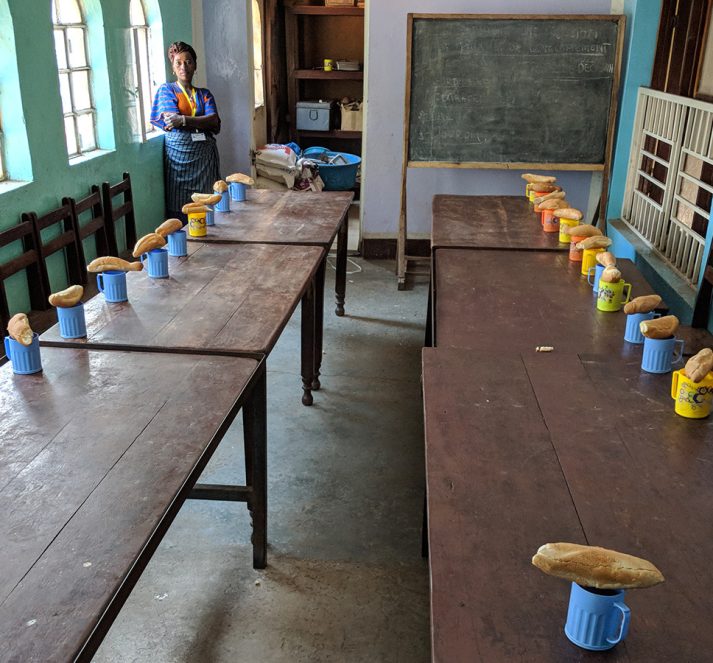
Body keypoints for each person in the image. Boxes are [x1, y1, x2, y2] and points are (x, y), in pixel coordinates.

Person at [150, 41, 221, 223]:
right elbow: (170, 121)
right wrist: (199, 123)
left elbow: (214, 121)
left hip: (204, 162)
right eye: (178, 63)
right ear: (173, 67)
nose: (184, 67)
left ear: (195, 65)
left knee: (206, 204)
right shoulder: (167, 90)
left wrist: (183, 120)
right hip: (179, 161)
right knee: (180, 208)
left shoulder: (204, 94)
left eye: (188, 62)